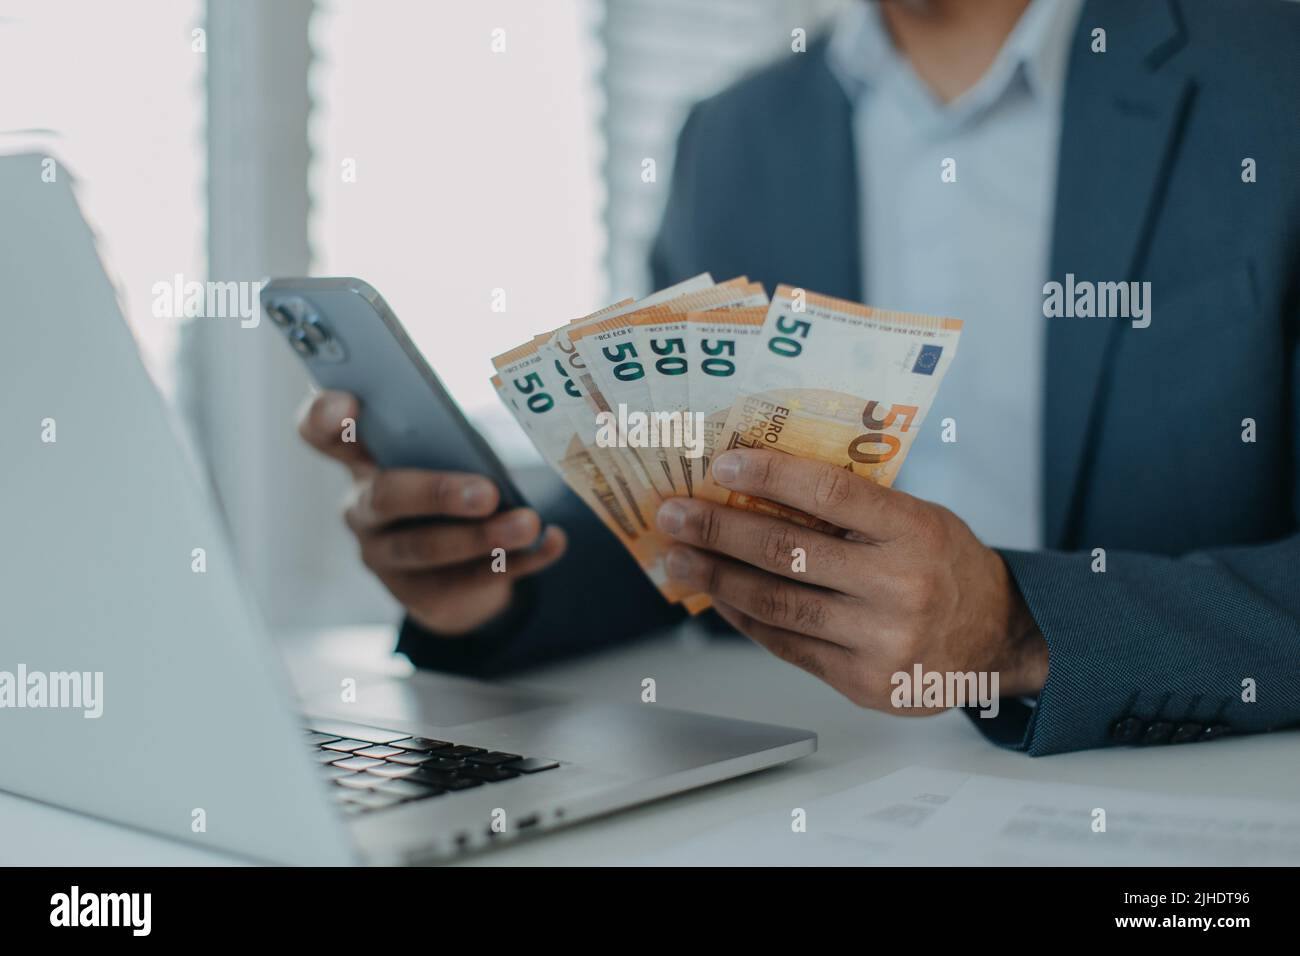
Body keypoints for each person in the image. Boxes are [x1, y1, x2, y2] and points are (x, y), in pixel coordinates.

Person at [298, 0, 1300, 755]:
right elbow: (679, 528)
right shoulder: (732, 137)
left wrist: (1017, 626)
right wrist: (492, 585)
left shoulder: (1272, 73)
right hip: (813, 781)